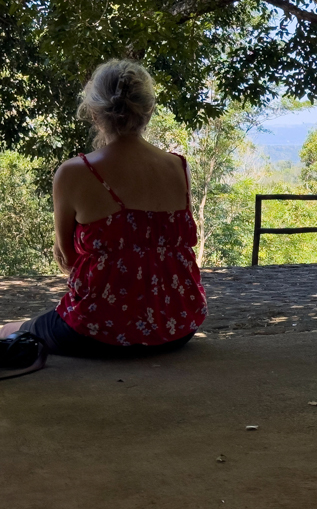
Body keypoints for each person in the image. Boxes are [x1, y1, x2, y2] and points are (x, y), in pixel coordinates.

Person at [0, 59, 207, 357]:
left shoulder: (75, 173)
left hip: (98, 332)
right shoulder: (179, 167)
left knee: (12, 331)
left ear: (95, 114)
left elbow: (69, 259)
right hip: (178, 326)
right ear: (147, 110)